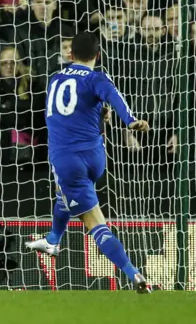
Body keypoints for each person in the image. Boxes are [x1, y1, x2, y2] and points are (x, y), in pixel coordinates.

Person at [24, 32, 152, 293]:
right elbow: (112, 97)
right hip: (95, 156)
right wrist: (129, 121)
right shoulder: (97, 77)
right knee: (65, 193)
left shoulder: (54, 79)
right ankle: (52, 240)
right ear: (98, 55)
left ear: (70, 54)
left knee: (95, 223)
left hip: (67, 158)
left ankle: (134, 274)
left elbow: (64, 113)